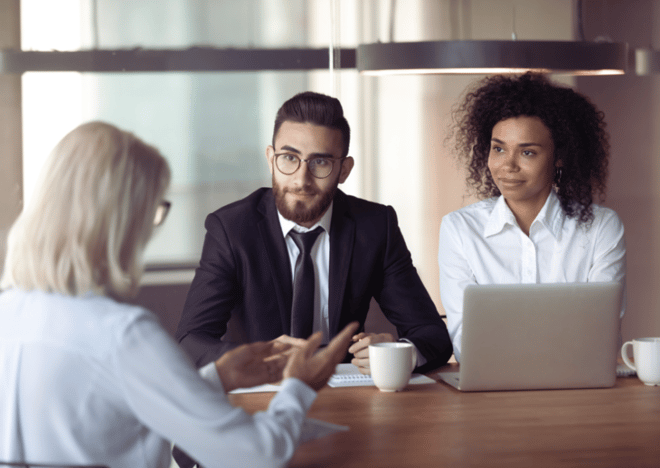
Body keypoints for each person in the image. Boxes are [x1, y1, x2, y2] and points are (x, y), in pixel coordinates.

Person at [0, 121, 359, 468]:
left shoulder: (9, 311)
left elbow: (113, 401)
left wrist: (219, 378)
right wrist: (298, 389)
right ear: (122, 219)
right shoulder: (124, 335)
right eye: (154, 210)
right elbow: (257, 456)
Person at [176, 91, 453, 375]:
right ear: (271, 158)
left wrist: (399, 353)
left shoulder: (375, 226)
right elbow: (191, 342)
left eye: (319, 162)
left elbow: (433, 335)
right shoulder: (231, 229)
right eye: (289, 158)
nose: (301, 179)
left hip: (348, 396)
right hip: (262, 394)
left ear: (343, 170)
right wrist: (262, 357)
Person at [438, 73, 626, 362]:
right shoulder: (460, 229)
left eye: (527, 152)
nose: (507, 166)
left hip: (578, 393)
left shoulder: (600, 228)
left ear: (559, 156)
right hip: (490, 392)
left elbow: (601, 335)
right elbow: (466, 343)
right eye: (498, 148)